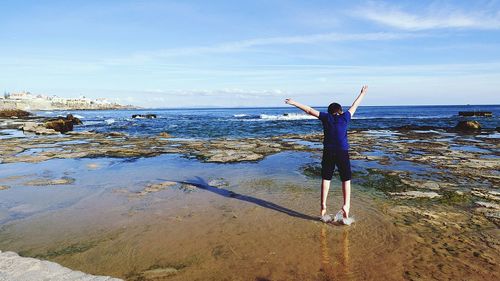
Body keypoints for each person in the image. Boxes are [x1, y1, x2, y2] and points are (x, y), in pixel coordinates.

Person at [285, 85, 368, 224]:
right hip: (342, 152)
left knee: (326, 179)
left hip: (328, 152)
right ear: (340, 111)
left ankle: (323, 205)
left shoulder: (326, 118)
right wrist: (362, 93)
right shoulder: (345, 117)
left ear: (330, 112)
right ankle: (346, 205)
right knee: (346, 180)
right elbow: (355, 105)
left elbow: (309, 110)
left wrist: (294, 103)